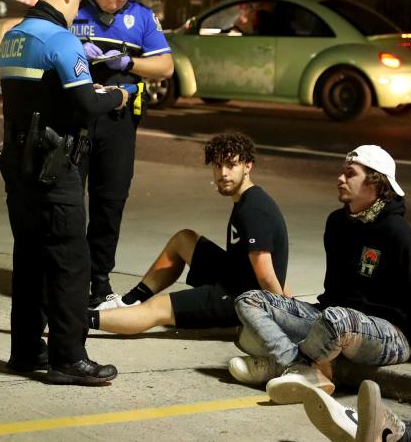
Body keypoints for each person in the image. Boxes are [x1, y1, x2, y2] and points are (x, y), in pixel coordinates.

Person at [0, 0, 129, 386]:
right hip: (55, 167)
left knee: (29, 257)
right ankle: (68, 358)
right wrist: (116, 96)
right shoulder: (61, 40)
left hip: (18, 167)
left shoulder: (12, 39)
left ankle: (25, 351)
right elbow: (85, 104)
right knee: (71, 263)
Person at [229, 145, 411, 407]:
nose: (340, 179)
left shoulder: (398, 234)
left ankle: (279, 365)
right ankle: (297, 367)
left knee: (336, 318)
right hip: (337, 320)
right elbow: (335, 291)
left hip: (391, 334)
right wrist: (300, 317)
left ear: (375, 182)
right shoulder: (337, 224)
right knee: (249, 300)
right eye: (342, 172)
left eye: (350, 174)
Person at [87, 132, 289, 336]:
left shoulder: (253, 210)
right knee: (185, 239)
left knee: (158, 308)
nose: (224, 173)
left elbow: (265, 274)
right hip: (235, 277)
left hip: (242, 300)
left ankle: (76, 321)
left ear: (248, 166)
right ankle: (129, 301)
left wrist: (283, 318)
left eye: (231, 165)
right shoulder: (247, 200)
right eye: (218, 166)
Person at [71, 0, 174, 307]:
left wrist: (128, 63)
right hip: (78, 116)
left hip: (119, 121)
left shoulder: (141, 17)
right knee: (69, 201)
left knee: (110, 202)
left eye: (121, 0)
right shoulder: (74, 7)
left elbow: (165, 66)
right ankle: (68, 277)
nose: (114, 6)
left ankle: (99, 282)